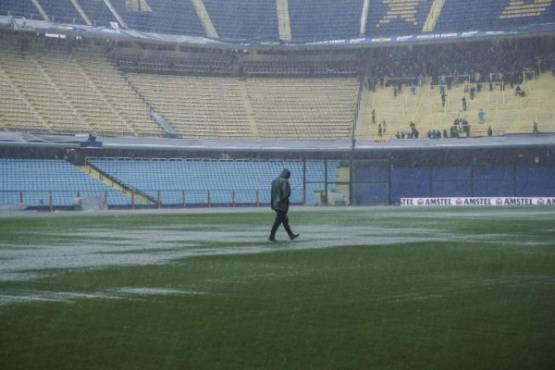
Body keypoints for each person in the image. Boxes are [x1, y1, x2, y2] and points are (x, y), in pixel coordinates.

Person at [269, 169, 299, 242]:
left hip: (275, 203)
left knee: (284, 220)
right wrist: (284, 201)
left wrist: (272, 203)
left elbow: (272, 193)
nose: (289, 177)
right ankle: (271, 236)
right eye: (288, 175)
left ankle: (291, 235)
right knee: (279, 221)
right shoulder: (285, 181)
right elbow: (286, 193)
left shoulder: (274, 181)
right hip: (282, 204)